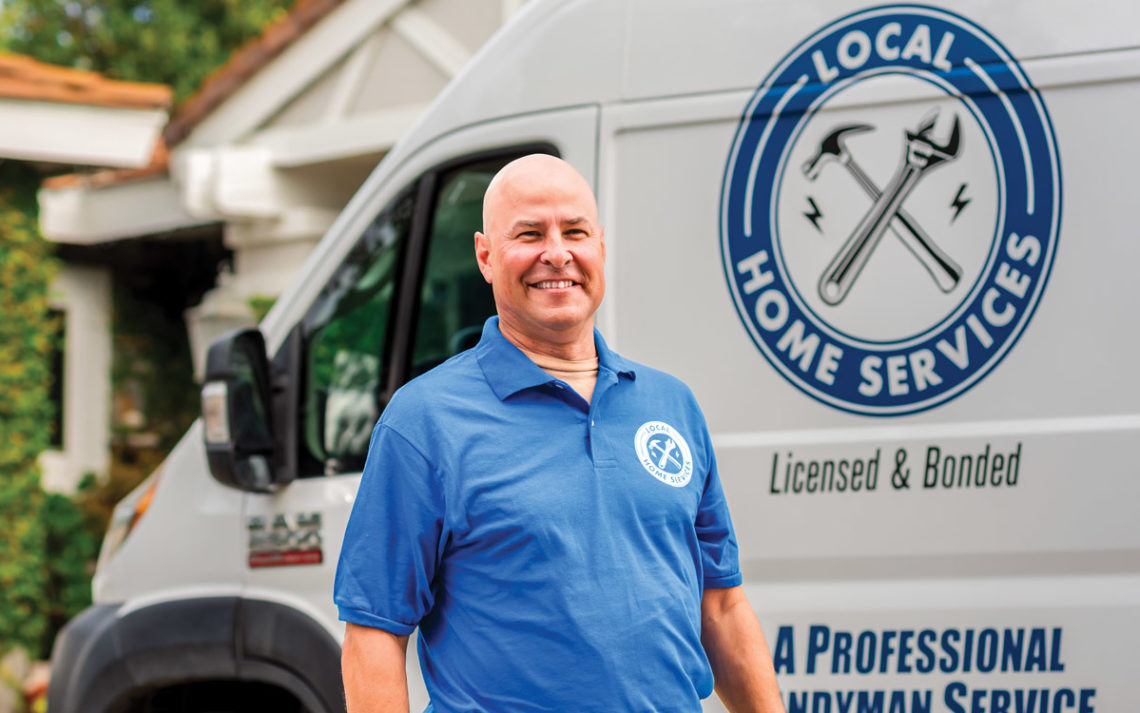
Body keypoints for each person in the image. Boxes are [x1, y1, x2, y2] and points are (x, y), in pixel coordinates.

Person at [335, 154, 785, 713]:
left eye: (574, 231)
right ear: (485, 256)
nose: (557, 252)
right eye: (529, 233)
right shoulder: (424, 422)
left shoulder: (671, 405)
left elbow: (720, 605)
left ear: (600, 246)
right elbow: (374, 632)